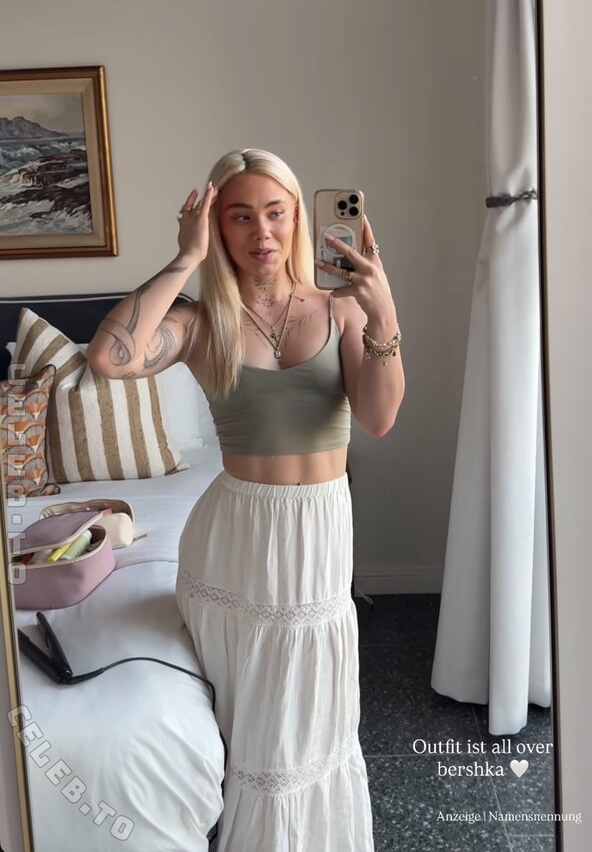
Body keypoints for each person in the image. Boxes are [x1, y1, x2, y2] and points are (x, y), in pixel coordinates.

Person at [86, 148, 405, 851]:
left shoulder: (341, 309)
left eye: (275, 212)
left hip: (319, 528)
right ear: (216, 227)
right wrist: (184, 257)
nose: (261, 231)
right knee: (257, 717)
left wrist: (382, 313)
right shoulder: (201, 322)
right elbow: (108, 358)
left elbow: (378, 419)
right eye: (238, 216)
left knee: (310, 711)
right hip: (236, 537)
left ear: (297, 219)